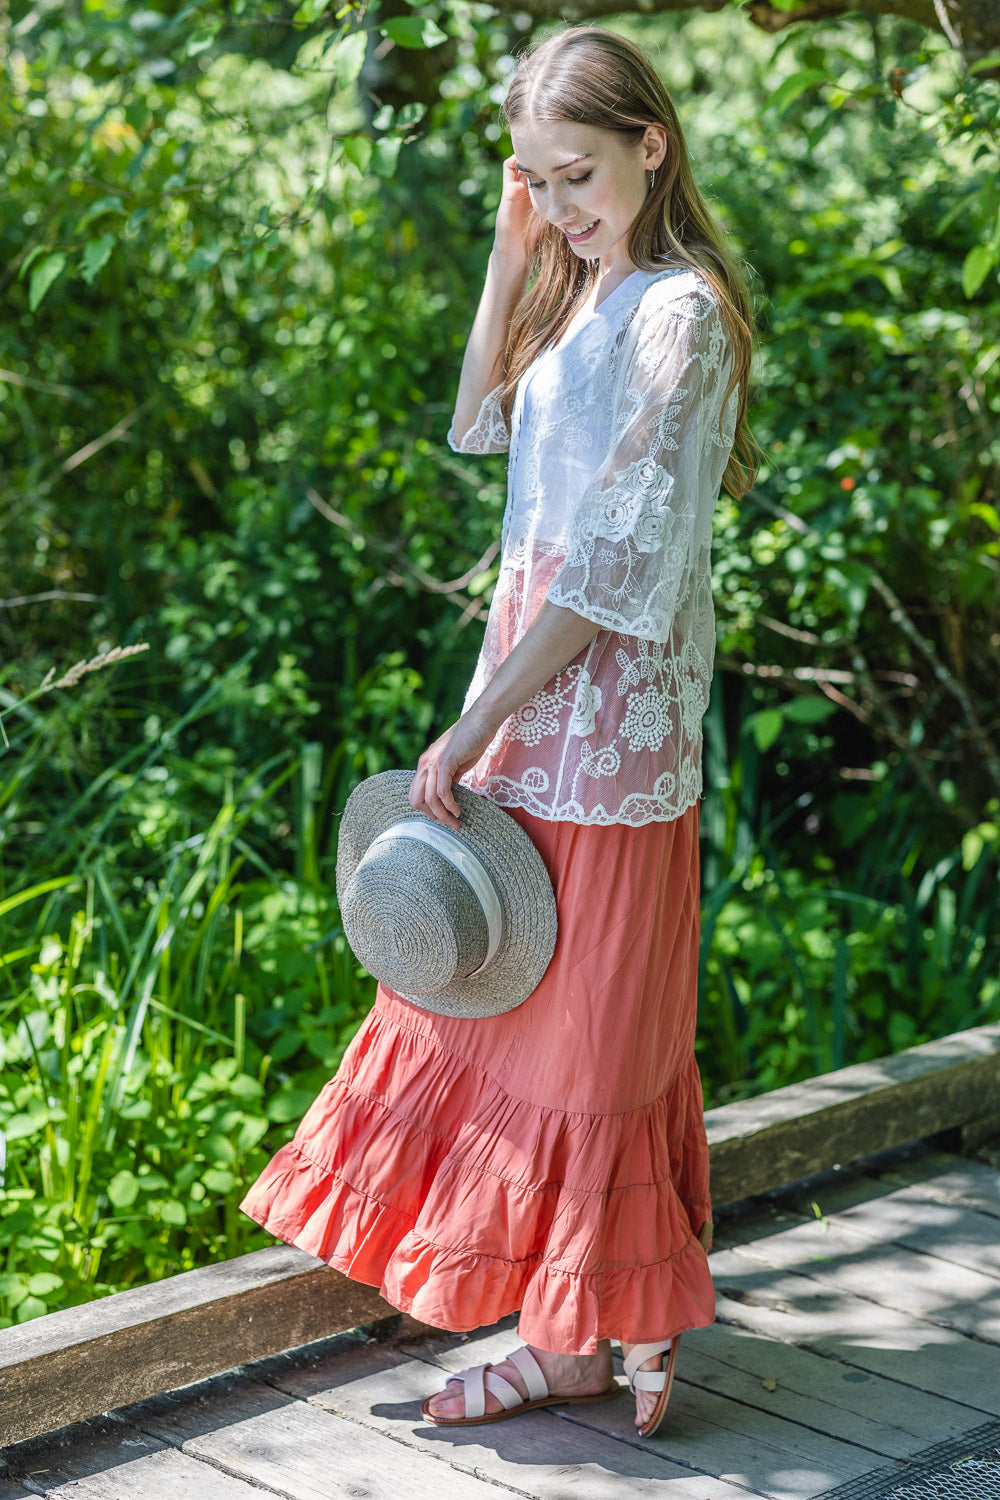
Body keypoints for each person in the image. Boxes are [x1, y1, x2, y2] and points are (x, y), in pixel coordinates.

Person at [239, 23, 759, 1439]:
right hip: (527, 724)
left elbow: (611, 570)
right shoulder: (578, 295)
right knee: (498, 1018)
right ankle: (569, 1335)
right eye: (539, 176)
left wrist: (474, 725)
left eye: (579, 173)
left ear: (653, 146)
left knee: (590, 1045)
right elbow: (478, 421)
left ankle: (607, 1319)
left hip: (604, 741)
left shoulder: (680, 315)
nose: (564, 202)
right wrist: (513, 242)